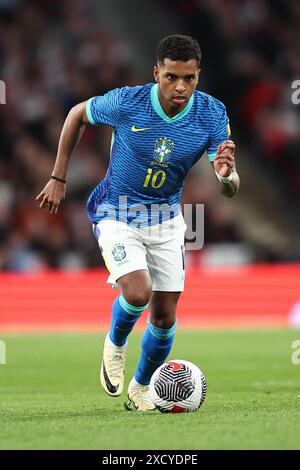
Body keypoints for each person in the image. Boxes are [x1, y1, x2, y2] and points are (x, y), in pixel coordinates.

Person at [36, 34, 240, 411]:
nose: (180, 87)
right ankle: (115, 343)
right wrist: (58, 176)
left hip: (165, 220)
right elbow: (77, 113)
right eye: (171, 77)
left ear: (199, 75)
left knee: (164, 318)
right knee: (136, 292)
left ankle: (141, 387)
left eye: (189, 79)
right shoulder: (128, 101)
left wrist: (226, 176)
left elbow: (229, 187)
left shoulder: (212, 114)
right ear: (156, 73)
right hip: (117, 211)